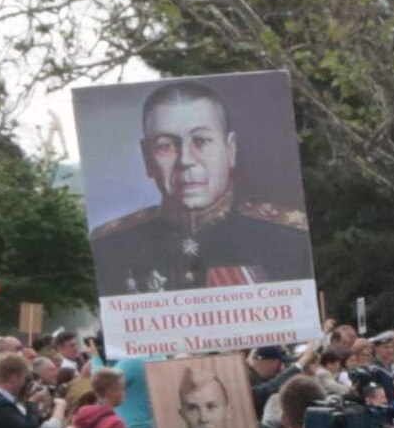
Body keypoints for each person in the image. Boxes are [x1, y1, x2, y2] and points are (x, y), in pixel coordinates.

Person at [98, 82, 314, 292]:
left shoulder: (288, 238)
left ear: (230, 149)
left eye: (201, 141)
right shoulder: (111, 247)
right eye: (165, 146)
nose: (185, 159)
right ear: (147, 158)